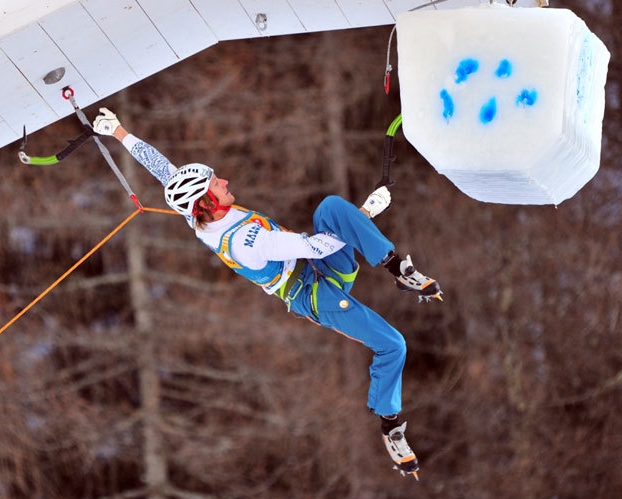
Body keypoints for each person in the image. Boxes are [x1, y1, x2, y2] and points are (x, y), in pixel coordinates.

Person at [92, 107, 442, 479]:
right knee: (393, 344)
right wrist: (364, 216)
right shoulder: (246, 241)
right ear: (207, 201)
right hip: (314, 296)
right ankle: (391, 428)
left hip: (318, 266)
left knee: (330, 207)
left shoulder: (198, 214)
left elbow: (165, 172)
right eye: (215, 183)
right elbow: (316, 247)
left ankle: (396, 269)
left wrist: (119, 133)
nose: (223, 180)